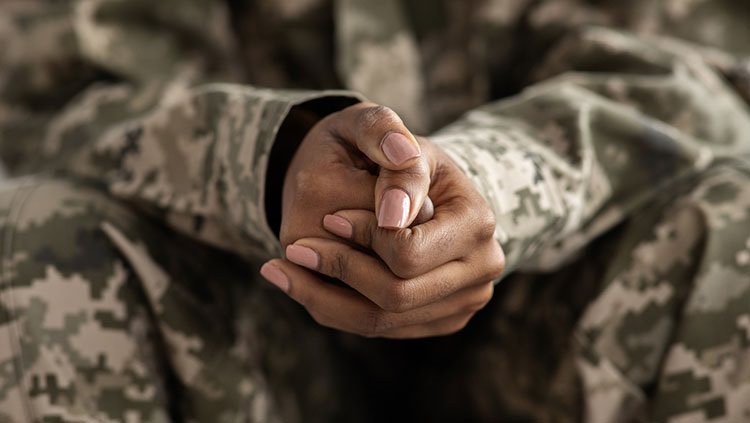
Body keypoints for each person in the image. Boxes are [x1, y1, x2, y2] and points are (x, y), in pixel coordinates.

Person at [1, 0, 749, 421]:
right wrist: (270, 154)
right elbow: (40, 113)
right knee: (30, 233)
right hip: (240, 329)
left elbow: (702, 87)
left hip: (565, 325)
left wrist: (491, 180)